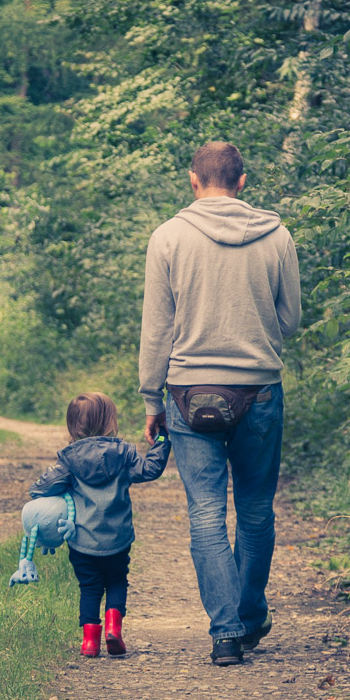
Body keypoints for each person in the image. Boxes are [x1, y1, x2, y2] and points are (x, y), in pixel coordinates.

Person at [138, 141, 301, 666]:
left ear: (193, 180)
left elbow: (157, 329)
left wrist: (150, 399)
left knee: (205, 513)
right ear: (243, 181)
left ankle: (226, 634)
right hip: (260, 389)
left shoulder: (168, 237)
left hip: (189, 394)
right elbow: (290, 320)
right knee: (255, 510)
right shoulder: (277, 236)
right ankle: (251, 616)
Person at [27, 391, 171, 657]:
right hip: (118, 539)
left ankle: (89, 642)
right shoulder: (124, 453)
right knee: (117, 581)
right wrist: (162, 439)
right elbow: (150, 469)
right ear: (110, 421)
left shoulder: (68, 460)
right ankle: (114, 629)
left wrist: (58, 497)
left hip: (82, 541)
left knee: (90, 588)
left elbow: (40, 488)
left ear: (72, 425)